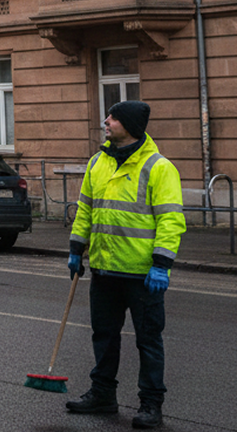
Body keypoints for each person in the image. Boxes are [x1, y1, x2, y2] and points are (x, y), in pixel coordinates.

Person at [65, 100, 186, 430]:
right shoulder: (97, 162)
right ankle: (103, 393)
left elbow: (171, 221)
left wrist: (161, 264)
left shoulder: (159, 167)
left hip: (142, 275)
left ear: (129, 125)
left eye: (113, 117)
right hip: (103, 268)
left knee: (148, 340)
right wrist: (77, 249)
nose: (106, 121)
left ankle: (151, 404)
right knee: (103, 335)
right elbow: (85, 210)